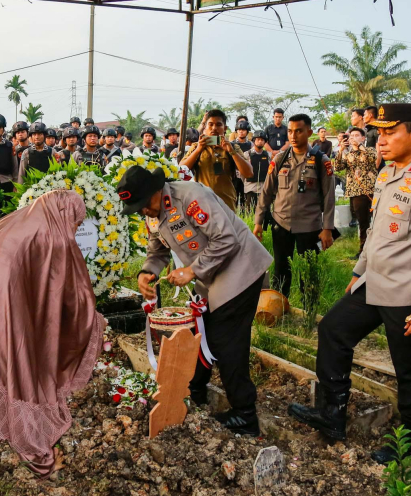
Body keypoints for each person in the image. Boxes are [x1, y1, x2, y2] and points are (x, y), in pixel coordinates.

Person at [288, 103, 411, 464]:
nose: (381, 141)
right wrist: (357, 271)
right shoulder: (387, 173)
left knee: (409, 367)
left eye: (389, 132)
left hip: (408, 293)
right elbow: (377, 232)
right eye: (379, 133)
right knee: (333, 330)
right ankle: (332, 415)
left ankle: (408, 441)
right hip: (373, 281)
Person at [0, 189, 103, 475]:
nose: (73, 228)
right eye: (75, 222)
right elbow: (75, 294)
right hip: (2, 292)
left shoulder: (14, 219)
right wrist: (94, 322)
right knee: (14, 354)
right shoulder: (56, 234)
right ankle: (27, 438)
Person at [119, 165, 272, 436]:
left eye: (145, 204)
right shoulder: (152, 214)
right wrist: (147, 272)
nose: (144, 211)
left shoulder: (190, 197)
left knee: (227, 343)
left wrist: (191, 271)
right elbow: (157, 251)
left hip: (241, 270)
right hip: (213, 278)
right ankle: (194, 395)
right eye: (138, 208)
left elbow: (227, 239)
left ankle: (245, 416)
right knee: (199, 337)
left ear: (158, 190)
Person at [254, 113, 335, 298]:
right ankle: (279, 306)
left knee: (308, 272)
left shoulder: (322, 161)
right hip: (281, 223)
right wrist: (258, 221)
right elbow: (266, 192)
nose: (293, 135)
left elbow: (330, 197)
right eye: (290, 131)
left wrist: (328, 228)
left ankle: (309, 310)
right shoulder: (280, 159)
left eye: (298, 131)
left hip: (310, 225)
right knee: (281, 269)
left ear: (309, 132)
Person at [181, 109, 252, 212]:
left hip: (226, 204)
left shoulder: (233, 147)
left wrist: (231, 151)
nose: (214, 128)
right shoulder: (196, 147)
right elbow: (181, 171)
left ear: (225, 128)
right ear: (205, 127)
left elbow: (249, 173)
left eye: (219, 125)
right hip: (202, 204)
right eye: (210, 124)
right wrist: (198, 150)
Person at [333, 127, 377, 258]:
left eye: (356, 135)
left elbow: (373, 160)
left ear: (363, 138)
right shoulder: (348, 153)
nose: (353, 138)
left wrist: (360, 147)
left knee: (365, 223)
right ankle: (364, 249)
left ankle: (364, 251)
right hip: (353, 191)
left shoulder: (370, 150)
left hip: (366, 191)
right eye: (351, 135)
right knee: (361, 221)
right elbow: (338, 167)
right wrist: (341, 150)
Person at [242, 130, 271, 211]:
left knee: (265, 212)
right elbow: (242, 172)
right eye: (258, 139)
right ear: (254, 141)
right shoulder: (247, 154)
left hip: (263, 189)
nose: (260, 141)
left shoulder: (268, 155)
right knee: (250, 211)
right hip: (250, 188)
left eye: (262, 140)